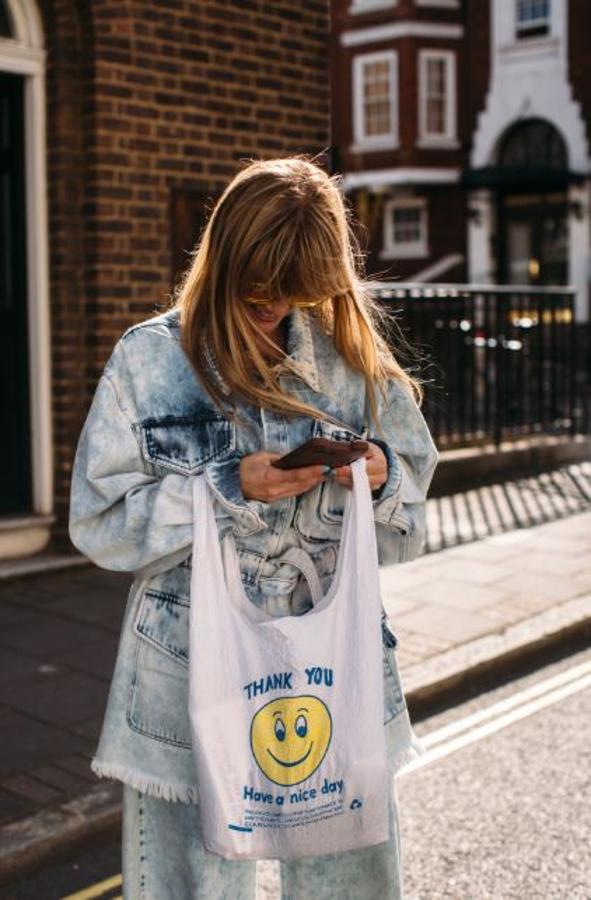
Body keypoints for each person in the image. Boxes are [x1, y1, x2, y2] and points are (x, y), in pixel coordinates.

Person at [68, 154, 439, 899]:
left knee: (348, 884)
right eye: (259, 292)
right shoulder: (149, 361)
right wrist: (225, 485)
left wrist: (378, 479)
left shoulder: (352, 364)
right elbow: (99, 525)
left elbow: (407, 531)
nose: (274, 309)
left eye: (295, 294)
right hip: (183, 671)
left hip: (333, 665)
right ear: (224, 260)